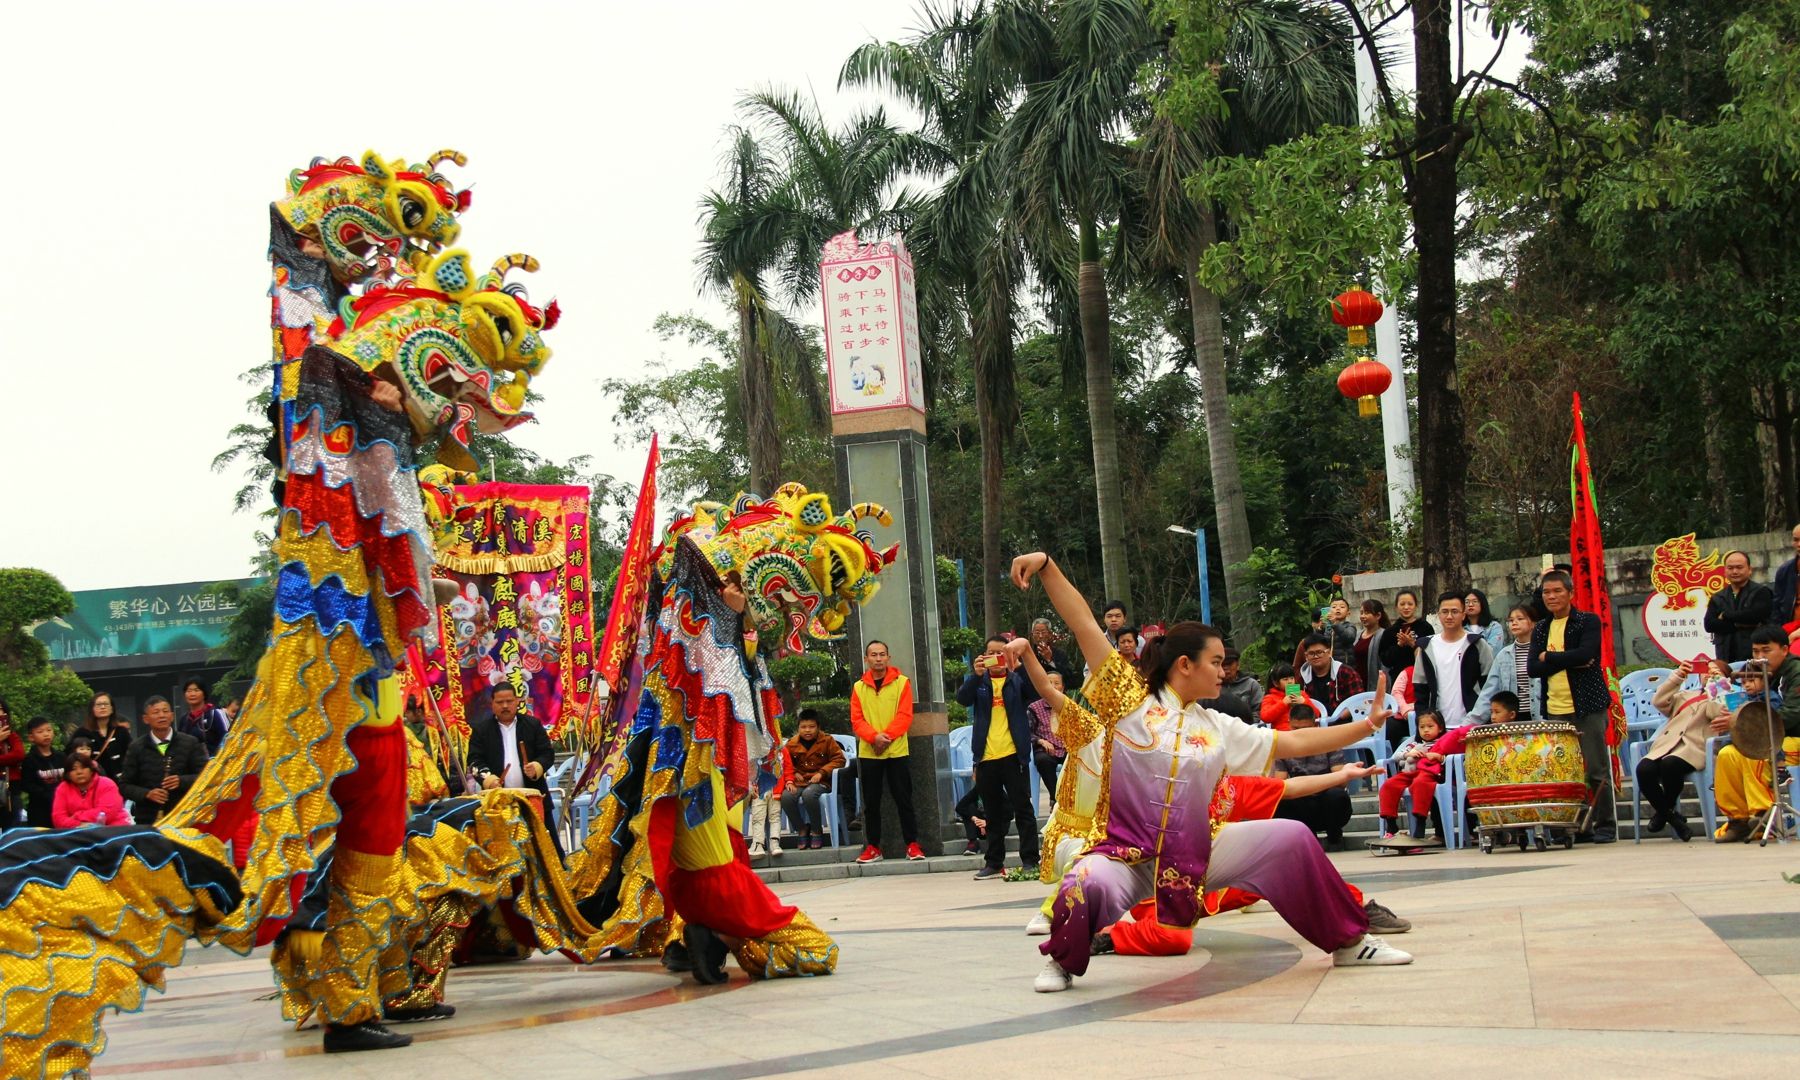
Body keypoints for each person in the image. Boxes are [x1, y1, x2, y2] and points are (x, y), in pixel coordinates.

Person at [1011, 551, 1411, 994]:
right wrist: (1047, 566)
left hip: (1198, 852)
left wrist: (1367, 726)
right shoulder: (1129, 702)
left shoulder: (1216, 727)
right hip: (1126, 856)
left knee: (1291, 838)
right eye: (1216, 662)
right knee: (1085, 880)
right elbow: (1084, 624)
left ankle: (1350, 943)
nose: (1224, 671)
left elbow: (1293, 743)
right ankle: (1061, 962)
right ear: (1185, 664)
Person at [1527, 570, 1616, 843]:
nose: (1551, 597)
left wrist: (1549, 657)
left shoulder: (1587, 621)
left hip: (1588, 705)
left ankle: (1605, 824)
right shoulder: (1541, 628)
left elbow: (1587, 655)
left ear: (1570, 593)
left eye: (1557, 591)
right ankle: (1576, 826)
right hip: (1555, 708)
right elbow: (1533, 668)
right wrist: (1569, 659)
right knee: (1565, 770)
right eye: (1546, 592)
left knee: (1596, 768)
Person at [956, 636, 1040, 881]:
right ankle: (994, 863)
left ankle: (1030, 861)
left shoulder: (1016, 680)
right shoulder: (980, 682)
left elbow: (1035, 693)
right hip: (986, 757)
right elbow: (962, 699)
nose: (995, 658)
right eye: (990, 653)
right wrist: (975, 675)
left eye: (1000, 652)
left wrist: (1019, 667)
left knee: (1023, 809)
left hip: (1014, 756)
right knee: (992, 813)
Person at [1712, 627, 1800, 842]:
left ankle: (1763, 814)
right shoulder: (1756, 673)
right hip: (1770, 736)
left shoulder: (1796, 672)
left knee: (1755, 752)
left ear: (1784, 650)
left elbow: (1792, 714)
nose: (1760, 657)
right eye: (1756, 651)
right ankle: (1738, 821)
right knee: (1727, 755)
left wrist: (1743, 722)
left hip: (1794, 738)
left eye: (1766, 651)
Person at [1638, 659, 1733, 843]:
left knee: (1670, 764)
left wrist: (1717, 686)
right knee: (1644, 769)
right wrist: (1678, 676)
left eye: (1715, 672)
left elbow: (1716, 713)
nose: (1709, 674)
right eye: (1706, 670)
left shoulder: (1723, 698)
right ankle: (1672, 817)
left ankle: (1663, 814)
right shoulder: (1685, 695)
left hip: (1695, 748)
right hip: (1667, 745)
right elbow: (1658, 701)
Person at [849, 640, 924, 863]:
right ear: (866, 659)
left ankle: (912, 845)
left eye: (882, 654)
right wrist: (874, 737)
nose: (878, 658)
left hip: (896, 750)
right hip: (869, 751)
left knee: (904, 799)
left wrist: (886, 738)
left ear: (888, 658)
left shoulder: (902, 683)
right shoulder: (858, 687)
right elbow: (856, 719)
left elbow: (905, 715)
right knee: (871, 803)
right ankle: (873, 847)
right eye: (874, 655)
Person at [466, 685, 558, 842]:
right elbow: (474, 761)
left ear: (517, 701)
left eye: (509, 701)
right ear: (492, 704)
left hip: (533, 798)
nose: (505, 706)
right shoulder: (481, 730)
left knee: (546, 846)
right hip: (497, 803)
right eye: (499, 702)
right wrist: (489, 780)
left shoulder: (533, 725)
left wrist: (536, 767)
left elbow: (547, 754)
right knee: (504, 848)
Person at [1271, 705, 1354, 850]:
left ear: (1315, 725)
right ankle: (1306, 835)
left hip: (1325, 797)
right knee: (1278, 800)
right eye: (1295, 728)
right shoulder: (1283, 745)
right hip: (1300, 796)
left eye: (1305, 728)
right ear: (1289, 724)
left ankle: (1334, 833)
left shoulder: (1329, 741)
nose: (1300, 733)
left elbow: (1341, 780)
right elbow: (1280, 782)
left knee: (1337, 796)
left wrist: (1315, 785)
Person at [116, 697, 206, 825]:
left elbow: (206, 776)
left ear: (172, 716)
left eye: (165, 711)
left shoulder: (190, 743)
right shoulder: (136, 747)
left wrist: (181, 781)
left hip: (184, 815)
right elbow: (124, 785)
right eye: (156, 712)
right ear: (145, 719)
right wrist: (147, 794)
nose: (161, 715)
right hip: (148, 818)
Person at [1412, 592, 1495, 731]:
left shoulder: (1477, 644)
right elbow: (1420, 689)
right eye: (1445, 611)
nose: (1449, 616)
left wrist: (1478, 718)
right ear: (1438, 615)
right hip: (1437, 728)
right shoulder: (1427, 646)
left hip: (1472, 725)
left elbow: (1490, 685)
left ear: (1463, 615)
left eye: (1455, 611)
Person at [781, 709, 845, 850]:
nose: (807, 730)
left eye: (811, 727)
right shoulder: (791, 744)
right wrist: (794, 772)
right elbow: (784, 762)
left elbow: (839, 759)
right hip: (800, 781)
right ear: (798, 728)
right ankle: (802, 828)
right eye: (803, 727)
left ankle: (816, 830)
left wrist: (822, 773)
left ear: (818, 727)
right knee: (786, 797)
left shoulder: (827, 740)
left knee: (809, 795)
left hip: (821, 782)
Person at [1470, 604, 1542, 724]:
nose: (1514, 623)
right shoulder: (1503, 655)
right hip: (1512, 719)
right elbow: (1489, 691)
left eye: (1520, 619)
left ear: (1533, 623)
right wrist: (1469, 724)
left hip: (1540, 716)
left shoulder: (1543, 652)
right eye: (1511, 620)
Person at [1703, 551, 1774, 664]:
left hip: (1753, 658)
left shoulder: (1761, 592)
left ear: (1749, 570)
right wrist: (1739, 624)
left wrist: (1725, 615)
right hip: (1725, 657)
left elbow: (1756, 616)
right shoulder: (1718, 597)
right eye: (1730, 568)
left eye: (1739, 567)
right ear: (1725, 570)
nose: (1735, 571)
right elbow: (1709, 624)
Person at [51, 752, 127, 830]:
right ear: (68, 774)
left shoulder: (107, 784)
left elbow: (107, 813)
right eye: (73, 769)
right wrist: (80, 824)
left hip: (113, 830)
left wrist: (77, 816)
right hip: (77, 832)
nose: (79, 772)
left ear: (91, 770)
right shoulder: (63, 788)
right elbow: (58, 819)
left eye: (83, 767)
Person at [67, 692, 132, 780]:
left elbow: (131, 755)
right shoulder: (82, 732)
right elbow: (70, 757)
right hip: (93, 781)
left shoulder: (121, 731)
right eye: (98, 705)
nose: (103, 707)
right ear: (92, 709)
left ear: (112, 708)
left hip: (119, 781)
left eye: (106, 704)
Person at [1028, 671, 1068, 813]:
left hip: (1068, 748)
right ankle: (1057, 798)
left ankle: (1072, 800)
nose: (1053, 686)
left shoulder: (1069, 705)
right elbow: (1027, 732)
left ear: (1062, 687)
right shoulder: (1034, 708)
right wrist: (1041, 741)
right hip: (1046, 749)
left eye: (1056, 683)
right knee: (1043, 760)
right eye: (1049, 683)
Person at [747, 733, 791, 859]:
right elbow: (749, 769)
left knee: (775, 816)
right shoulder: (754, 750)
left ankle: (774, 843)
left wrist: (789, 781)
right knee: (757, 817)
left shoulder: (782, 750)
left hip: (776, 789)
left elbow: (788, 768)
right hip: (759, 790)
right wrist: (751, 785)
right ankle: (758, 844)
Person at [1298, 632, 1363, 717]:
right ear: (1306, 656)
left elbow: (1358, 701)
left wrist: (1336, 718)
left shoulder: (1346, 673)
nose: (1316, 656)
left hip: (1343, 721)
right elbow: (1294, 704)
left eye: (1319, 652)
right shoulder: (1301, 676)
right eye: (1311, 653)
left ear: (1329, 652)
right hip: (1312, 722)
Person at [18, 717, 64, 829]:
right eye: (40, 732)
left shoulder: (61, 757)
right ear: (31, 737)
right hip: (39, 810)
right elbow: (26, 784)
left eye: (49, 730)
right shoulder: (29, 760)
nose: (46, 734)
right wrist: (48, 794)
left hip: (62, 807)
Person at [1381, 589, 1432, 682]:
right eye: (1402, 604)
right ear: (1396, 607)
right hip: (1398, 679)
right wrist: (1399, 645)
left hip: (1422, 679)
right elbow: (1386, 660)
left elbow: (1432, 654)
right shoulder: (1390, 631)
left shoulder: (1425, 627)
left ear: (1416, 606)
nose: (1406, 607)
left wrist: (1413, 644)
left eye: (1410, 604)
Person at [176, 678, 231, 758]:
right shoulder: (184, 720)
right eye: (189, 691)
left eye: (196, 690)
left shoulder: (216, 714)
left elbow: (229, 739)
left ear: (204, 694)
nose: (192, 694)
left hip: (214, 763)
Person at [1030, 618, 1084, 692]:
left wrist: (1050, 660)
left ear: (1049, 634)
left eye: (1043, 632)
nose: (1040, 636)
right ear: (1032, 634)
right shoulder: (1027, 653)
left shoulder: (1060, 654)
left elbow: (1069, 679)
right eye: (1037, 632)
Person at [1771, 524, 1800, 650]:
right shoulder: (1785, 570)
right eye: (1796, 540)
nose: (1799, 544)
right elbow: (1777, 607)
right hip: (1789, 630)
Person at [1355, 599, 1391, 697]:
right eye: (1361, 613)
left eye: (1367, 613)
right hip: (1357, 686)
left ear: (1378, 615)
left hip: (1374, 687)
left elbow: (1385, 667)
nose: (1363, 616)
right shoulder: (1357, 635)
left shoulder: (1384, 635)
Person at [0, 698, 24, 830]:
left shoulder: (12, 736)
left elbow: (19, 755)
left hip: (11, 789)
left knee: (12, 829)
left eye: (1, 709)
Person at [1259, 664, 1304, 729]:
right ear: (1276, 683)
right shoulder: (1270, 698)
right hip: (1282, 732)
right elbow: (1265, 717)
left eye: (1292, 678)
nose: (1290, 681)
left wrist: (1304, 702)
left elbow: (1316, 714)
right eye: (1285, 679)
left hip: (1303, 730)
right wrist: (1283, 703)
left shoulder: (1301, 694)